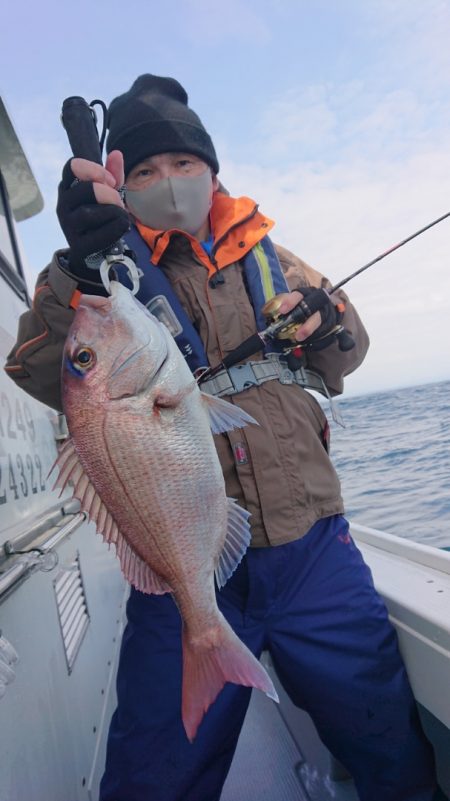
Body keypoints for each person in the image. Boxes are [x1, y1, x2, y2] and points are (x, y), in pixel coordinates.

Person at [5, 74, 441, 801]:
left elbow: (349, 349)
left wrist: (328, 321)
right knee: (154, 778)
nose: (167, 182)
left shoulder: (276, 257)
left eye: (182, 164)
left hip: (314, 551)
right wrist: (75, 266)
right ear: (124, 185)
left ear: (212, 171)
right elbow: (38, 365)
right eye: (143, 170)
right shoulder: (103, 273)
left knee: (388, 742)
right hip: (183, 569)